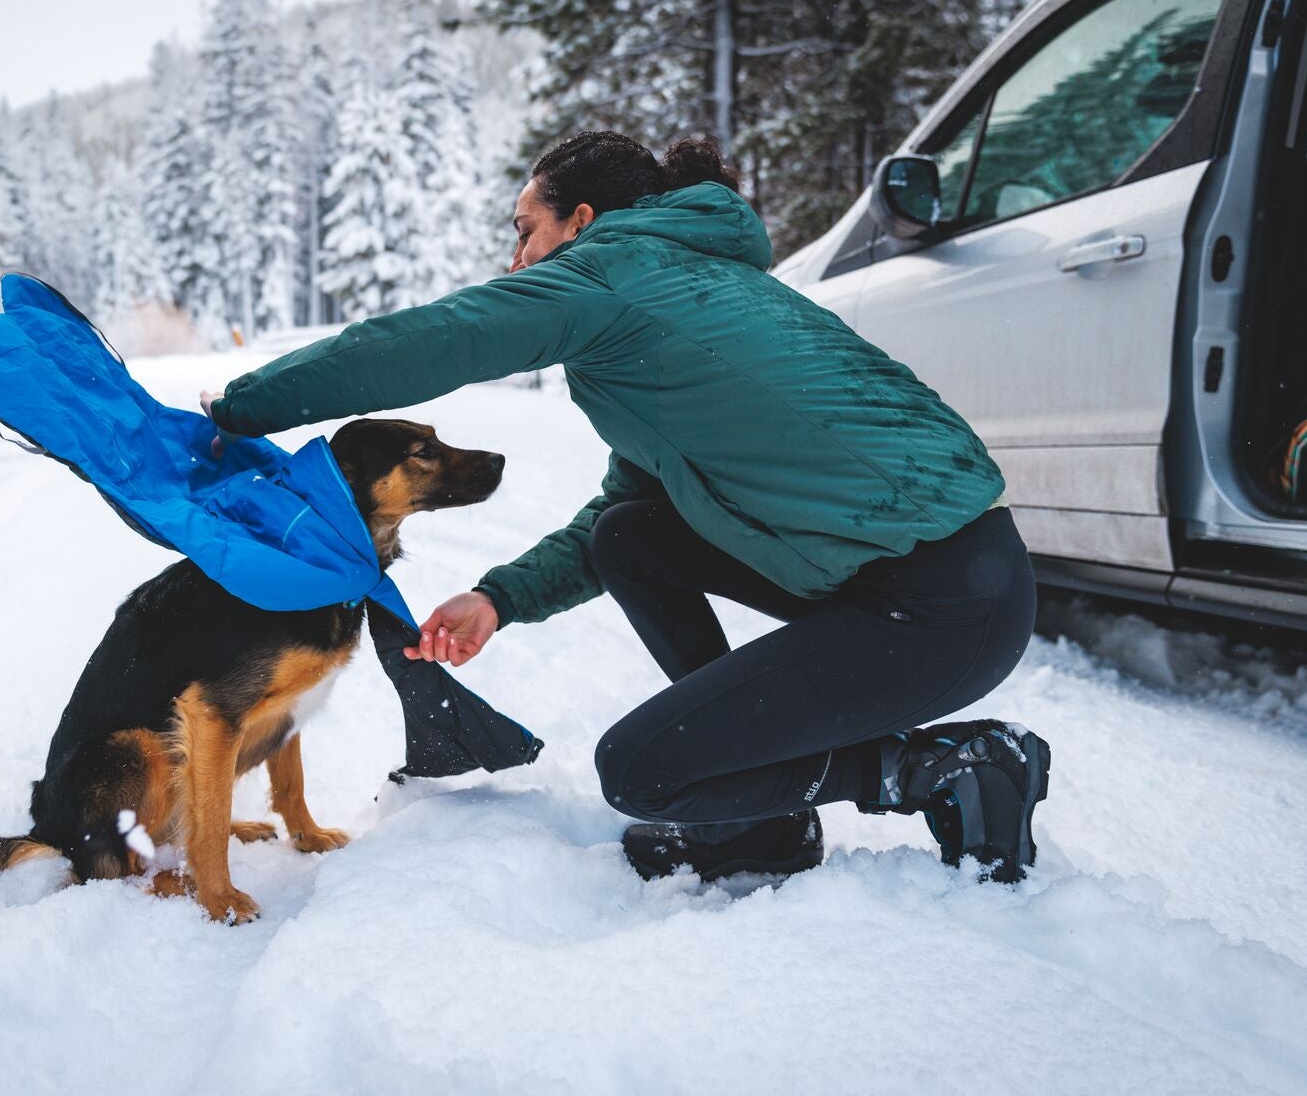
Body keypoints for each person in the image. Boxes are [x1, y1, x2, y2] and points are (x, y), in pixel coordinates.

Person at [206, 131, 1048, 884]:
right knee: (628, 535)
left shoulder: (613, 273)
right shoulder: (681, 286)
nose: (515, 261)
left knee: (644, 770)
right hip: (942, 580)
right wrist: (500, 599)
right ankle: (756, 815)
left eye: (523, 231)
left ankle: (934, 768)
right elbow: (624, 513)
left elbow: (432, 339)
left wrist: (239, 408)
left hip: (939, 606)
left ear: (579, 220)